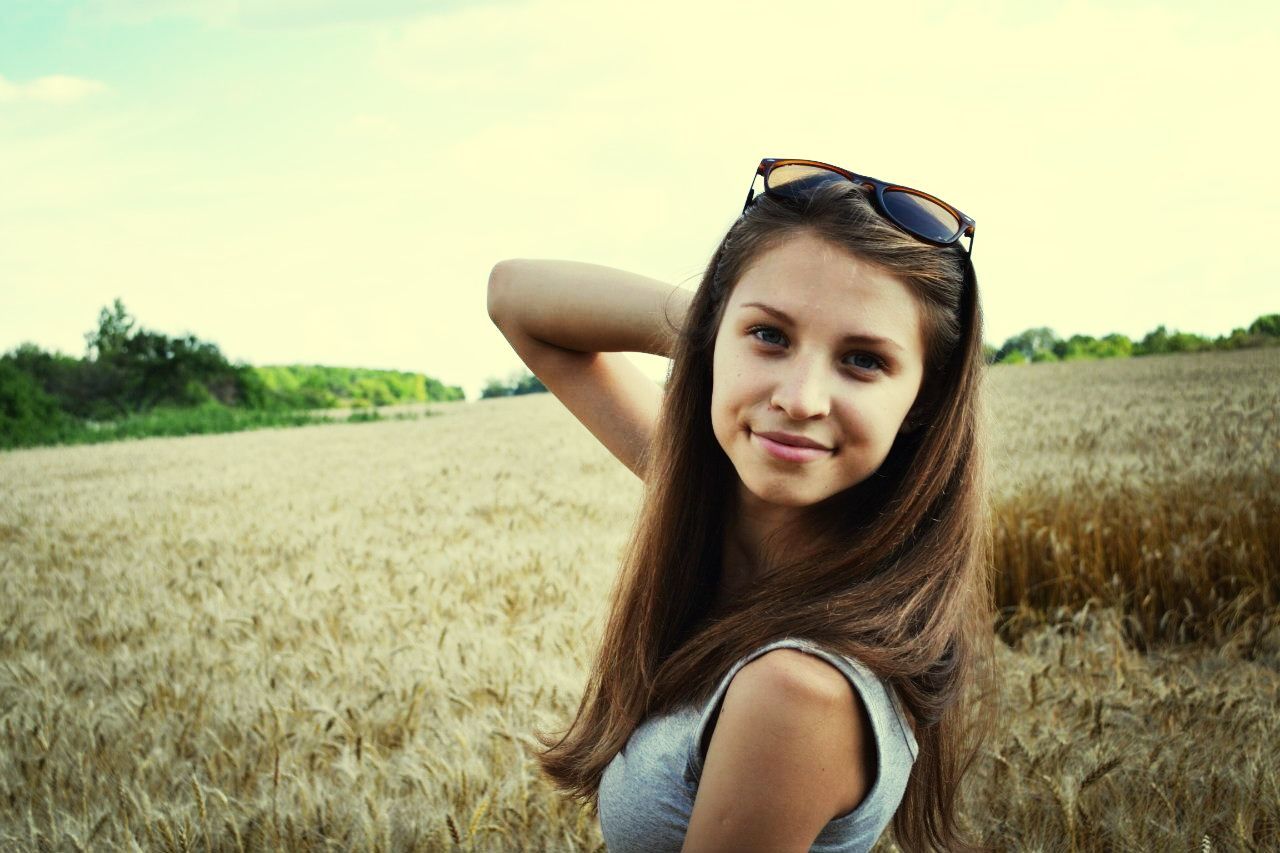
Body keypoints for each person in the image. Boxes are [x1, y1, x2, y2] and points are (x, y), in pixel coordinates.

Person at [486, 158, 997, 852]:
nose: (800, 397)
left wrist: (743, 326)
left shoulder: (797, 691)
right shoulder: (715, 507)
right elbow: (514, 296)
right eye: (771, 336)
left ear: (923, 402)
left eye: (863, 360)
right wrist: (719, 325)